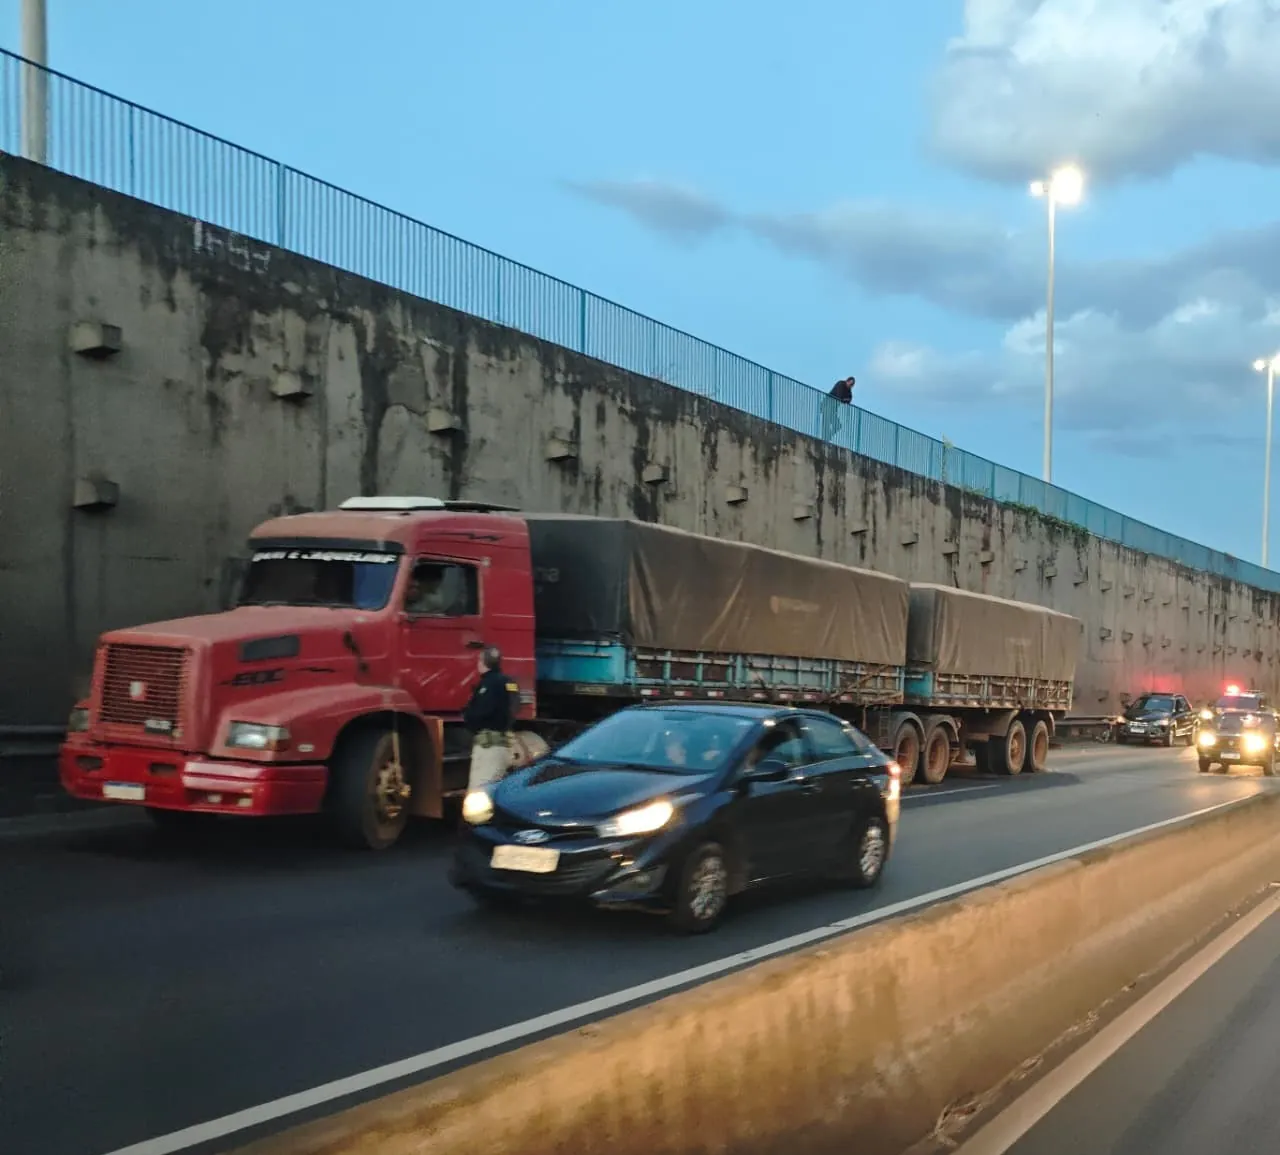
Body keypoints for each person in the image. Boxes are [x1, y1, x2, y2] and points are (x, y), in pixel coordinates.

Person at [463, 645, 521, 790]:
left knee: (480, 791)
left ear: (482, 663)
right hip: (504, 745)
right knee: (496, 789)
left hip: (487, 747)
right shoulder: (509, 682)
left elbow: (481, 712)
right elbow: (516, 706)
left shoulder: (487, 684)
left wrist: (467, 715)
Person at [820, 376, 855, 442]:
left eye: (852, 385)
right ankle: (824, 439)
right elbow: (839, 397)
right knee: (826, 425)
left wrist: (844, 400)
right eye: (850, 384)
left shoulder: (848, 390)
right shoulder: (841, 384)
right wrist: (844, 400)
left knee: (837, 425)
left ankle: (827, 438)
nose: (851, 386)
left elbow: (849, 399)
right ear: (847, 381)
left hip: (833, 409)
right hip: (827, 406)